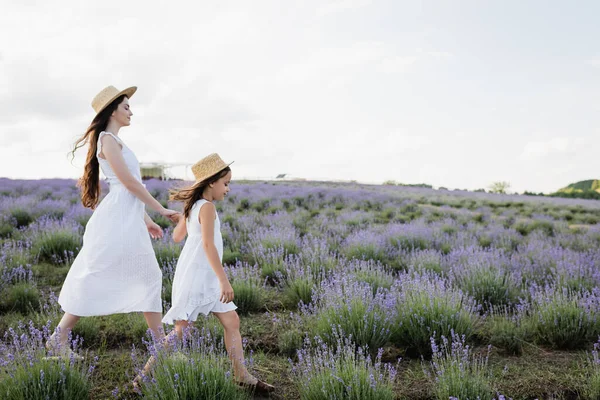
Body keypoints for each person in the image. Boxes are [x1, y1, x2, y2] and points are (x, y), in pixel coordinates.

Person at [46, 85, 179, 359]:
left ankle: (159, 347)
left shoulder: (115, 141)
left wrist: (146, 220)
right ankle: (59, 338)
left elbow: (126, 189)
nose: (131, 111)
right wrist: (160, 209)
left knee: (146, 276)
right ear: (113, 110)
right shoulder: (107, 139)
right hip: (116, 221)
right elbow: (128, 184)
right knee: (100, 275)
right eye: (126, 106)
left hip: (125, 217)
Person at [159, 153, 274, 393]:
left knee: (232, 321)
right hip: (200, 277)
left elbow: (177, 237)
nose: (228, 189)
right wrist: (224, 280)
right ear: (212, 182)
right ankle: (143, 377)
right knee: (182, 331)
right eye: (226, 183)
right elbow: (208, 245)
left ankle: (241, 375)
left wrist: (183, 218)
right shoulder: (207, 207)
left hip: (201, 274)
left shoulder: (194, 206)